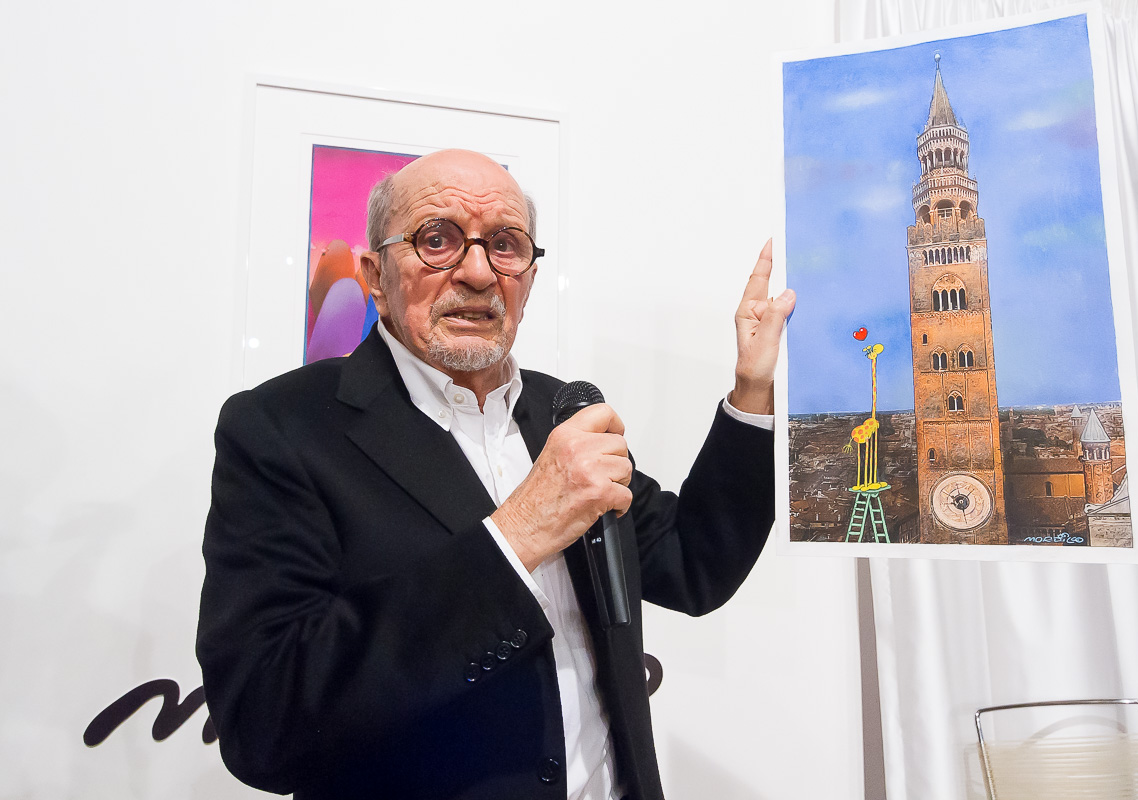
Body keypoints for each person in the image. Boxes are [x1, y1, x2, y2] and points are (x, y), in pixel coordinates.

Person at [197, 149, 795, 800]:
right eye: (437, 240)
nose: (479, 272)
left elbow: (693, 563)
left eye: (505, 245)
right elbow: (263, 721)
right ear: (375, 275)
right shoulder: (282, 427)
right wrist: (517, 534)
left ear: (530, 278)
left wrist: (752, 390)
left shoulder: (562, 410)